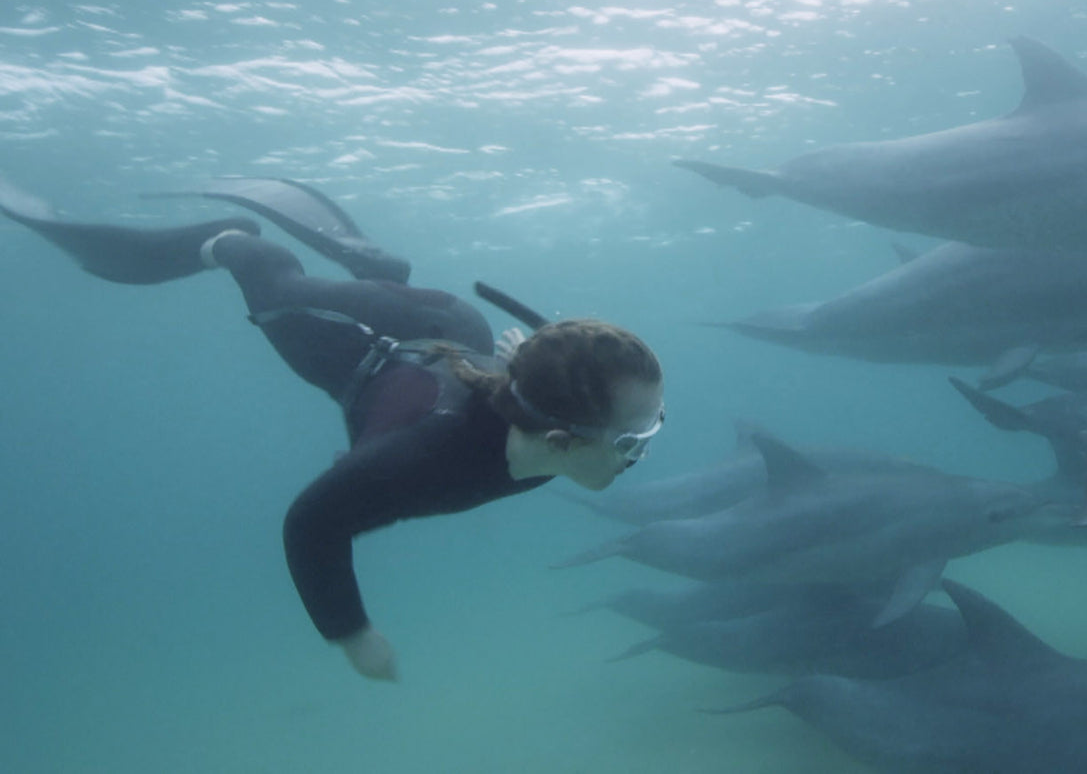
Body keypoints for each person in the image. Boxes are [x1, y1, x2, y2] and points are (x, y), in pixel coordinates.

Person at [0, 176, 665, 681]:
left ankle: (377, 271)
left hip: (456, 330)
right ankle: (233, 242)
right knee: (275, 280)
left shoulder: (555, 427)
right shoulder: (419, 464)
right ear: (558, 440)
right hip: (355, 349)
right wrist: (351, 634)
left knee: (393, 292)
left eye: (654, 424)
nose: (646, 448)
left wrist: (530, 356)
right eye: (636, 439)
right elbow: (310, 525)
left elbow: (561, 370)